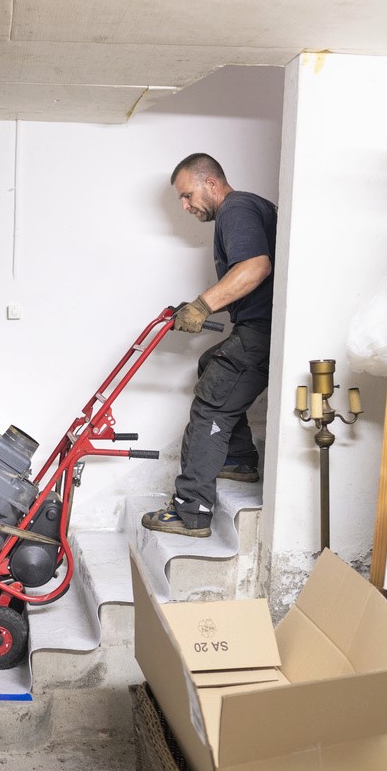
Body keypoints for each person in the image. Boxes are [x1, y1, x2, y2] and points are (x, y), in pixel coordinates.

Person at [142, 153, 277, 538]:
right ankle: (237, 458)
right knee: (209, 363)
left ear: (211, 184)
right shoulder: (250, 206)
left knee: (210, 407)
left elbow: (255, 266)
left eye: (187, 196)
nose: (185, 206)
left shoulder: (236, 208)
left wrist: (203, 305)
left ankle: (191, 511)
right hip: (261, 327)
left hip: (261, 330)